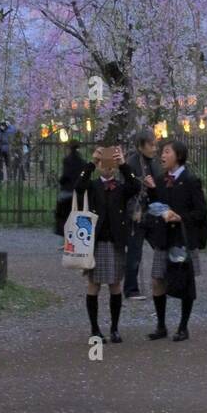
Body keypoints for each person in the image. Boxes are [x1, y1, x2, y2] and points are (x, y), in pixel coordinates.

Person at [145, 138, 207, 342]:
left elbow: (201, 211)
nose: (162, 156)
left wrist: (181, 217)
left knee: (185, 282)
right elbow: (156, 206)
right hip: (164, 237)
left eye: (167, 152)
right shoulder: (160, 179)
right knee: (157, 280)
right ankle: (161, 325)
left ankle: (183, 326)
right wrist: (152, 190)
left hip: (183, 238)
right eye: (162, 152)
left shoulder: (190, 180)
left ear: (179, 156)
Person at [75, 146, 139, 343]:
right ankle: (95, 329)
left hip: (116, 241)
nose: (108, 168)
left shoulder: (121, 187)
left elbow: (135, 186)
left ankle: (114, 328)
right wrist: (92, 162)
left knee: (115, 285)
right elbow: (79, 185)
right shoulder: (93, 185)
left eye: (111, 165)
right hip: (95, 241)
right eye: (104, 164)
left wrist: (123, 165)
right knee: (93, 284)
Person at [123, 129, 157, 300]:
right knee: (135, 252)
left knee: (161, 245)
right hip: (136, 213)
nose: (154, 148)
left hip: (150, 213)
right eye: (151, 145)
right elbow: (126, 189)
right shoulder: (131, 163)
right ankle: (131, 288)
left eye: (154, 144)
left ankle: (165, 282)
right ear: (141, 146)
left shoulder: (152, 162)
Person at [54, 140, 87, 240]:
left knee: (61, 214)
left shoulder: (67, 160)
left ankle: (64, 235)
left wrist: (61, 181)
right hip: (78, 192)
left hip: (68, 190)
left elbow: (65, 175)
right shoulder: (82, 162)